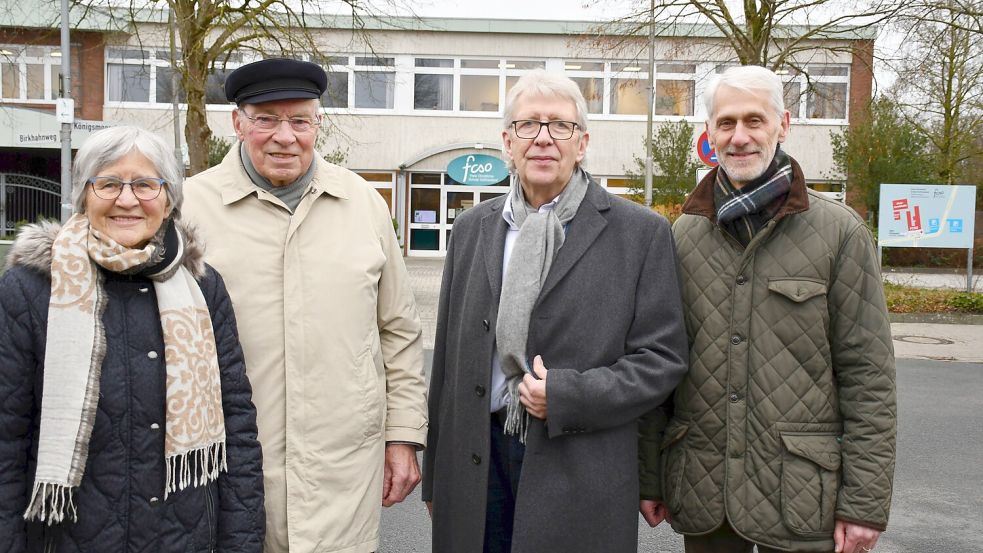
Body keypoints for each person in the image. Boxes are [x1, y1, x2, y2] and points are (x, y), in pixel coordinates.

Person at [422, 70, 689, 553]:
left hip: (579, 465)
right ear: (507, 141)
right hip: (477, 464)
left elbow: (662, 359)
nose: (543, 138)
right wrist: (438, 477)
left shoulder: (640, 234)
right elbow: (447, 363)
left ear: (582, 143)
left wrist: (566, 395)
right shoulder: (471, 229)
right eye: (528, 125)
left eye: (560, 126)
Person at [638, 65, 897, 553]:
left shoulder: (840, 234)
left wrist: (864, 503)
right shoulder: (681, 237)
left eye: (754, 121)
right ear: (709, 133)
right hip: (705, 491)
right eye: (726, 122)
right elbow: (660, 365)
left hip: (803, 497)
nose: (740, 137)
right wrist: (650, 477)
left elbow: (869, 379)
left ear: (784, 123)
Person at [181, 58, 428, 553]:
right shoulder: (190, 206)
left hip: (344, 469)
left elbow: (398, 331)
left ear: (318, 124)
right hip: (233, 466)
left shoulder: (362, 202)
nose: (284, 136)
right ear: (238, 123)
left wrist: (403, 435)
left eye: (299, 120)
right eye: (266, 120)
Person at [0, 125, 265, 552]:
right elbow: (6, 442)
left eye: (145, 184)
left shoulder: (202, 289)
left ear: (168, 198)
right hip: (66, 539)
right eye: (107, 183)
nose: (127, 199)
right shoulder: (30, 290)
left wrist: (242, 543)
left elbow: (237, 427)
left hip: (184, 538)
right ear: (84, 195)